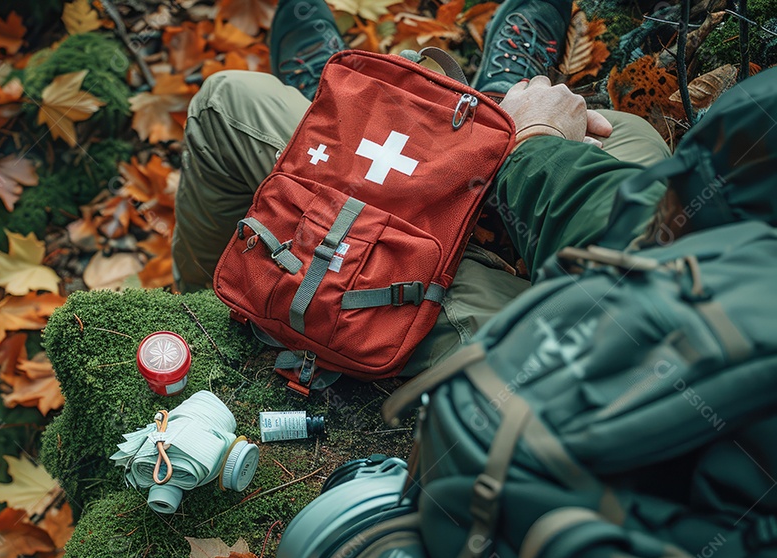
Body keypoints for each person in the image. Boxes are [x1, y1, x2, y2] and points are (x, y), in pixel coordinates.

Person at [172, 0, 776, 374]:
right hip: (646, 297)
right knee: (629, 130)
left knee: (229, 101)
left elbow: (642, 271)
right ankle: (475, 106)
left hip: (561, 346)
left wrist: (533, 141)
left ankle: (465, 113)